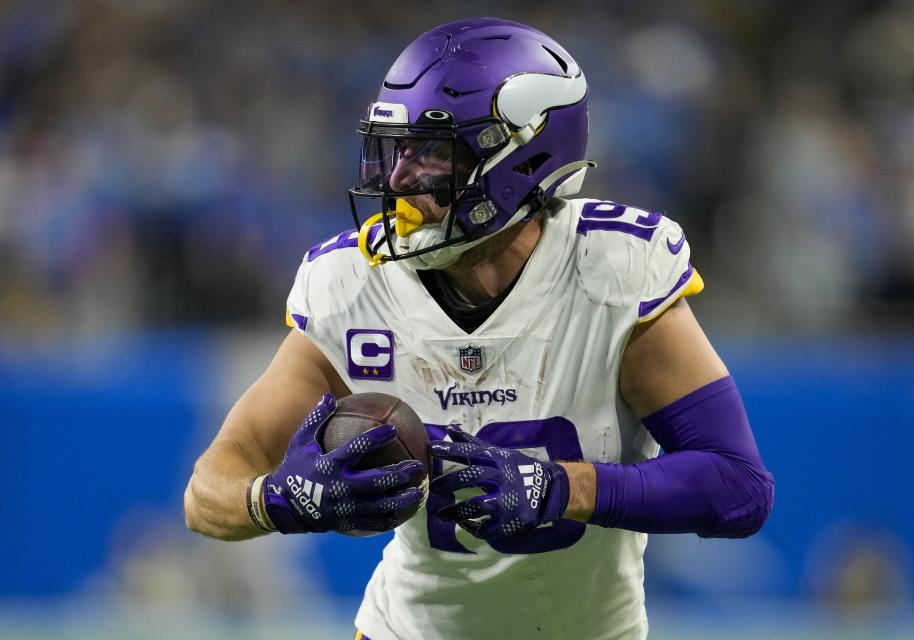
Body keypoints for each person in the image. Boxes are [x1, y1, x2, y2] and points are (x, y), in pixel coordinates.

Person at [184, 17, 774, 640]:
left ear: (523, 157)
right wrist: (280, 500)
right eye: (397, 149)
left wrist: (559, 487)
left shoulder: (611, 272)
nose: (399, 179)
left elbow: (737, 487)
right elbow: (207, 493)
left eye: (433, 152)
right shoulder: (354, 283)